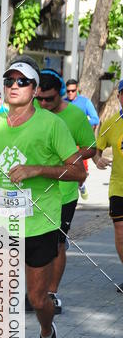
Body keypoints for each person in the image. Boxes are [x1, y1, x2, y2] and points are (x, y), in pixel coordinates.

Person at [0, 56, 86, 338]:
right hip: (4, 219)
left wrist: (38, 169)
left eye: (22, 81)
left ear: (35, 89)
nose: (13, 86)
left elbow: (79, 172)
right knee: (1, 299)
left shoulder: (52, 125)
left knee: (37, 299)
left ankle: (47, 335)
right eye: (8, 81)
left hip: (39, 223)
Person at [36, 69, 96, 312]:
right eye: (39, 98)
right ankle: (34, 291)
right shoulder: (34, 113)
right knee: (35, 243)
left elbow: (91, 149)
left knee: (58, 244)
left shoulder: (75, 116)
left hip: (65, 191)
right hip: (37, 190)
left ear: (60, 94)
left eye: (49, 99)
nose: (43, 103)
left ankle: (51, 294)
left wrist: (69, 155)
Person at [94, 79, 123, 293]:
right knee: (121, 232)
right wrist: (98, 160)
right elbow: (95, 150)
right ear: (119, 96)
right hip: (118, 187)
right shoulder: (111, 123)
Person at [65, 78, 99, 200]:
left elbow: (96, 119)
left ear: (77, 89)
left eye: (73, 91)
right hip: (66, 141)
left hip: (80, 142)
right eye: (68, 91)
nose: (70, 93)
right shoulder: (63, 103)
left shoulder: (85, 102)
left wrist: (84, 122)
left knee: (81, 170)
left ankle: (81, 184)